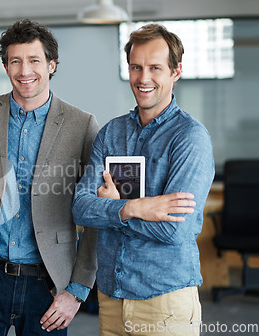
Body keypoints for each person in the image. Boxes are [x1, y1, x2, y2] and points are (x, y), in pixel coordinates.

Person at [0, 19, 99, 336]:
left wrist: (79, 288)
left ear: (52, 65)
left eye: (34, 60)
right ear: (5, 65)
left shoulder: (82, 125)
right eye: (16, 61)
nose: (25, 71)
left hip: (49, 285)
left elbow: (93, 214)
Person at [72, 23, 215, 336]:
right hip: (111, 297)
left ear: (176, 71)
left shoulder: (190, 139)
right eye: (136, 67)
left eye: (155, 68)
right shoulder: (111, 133)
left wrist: (112, 210)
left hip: (164, 299)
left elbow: (174, 229)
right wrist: (134, 208)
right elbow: (81, 207)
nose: (143, 78)